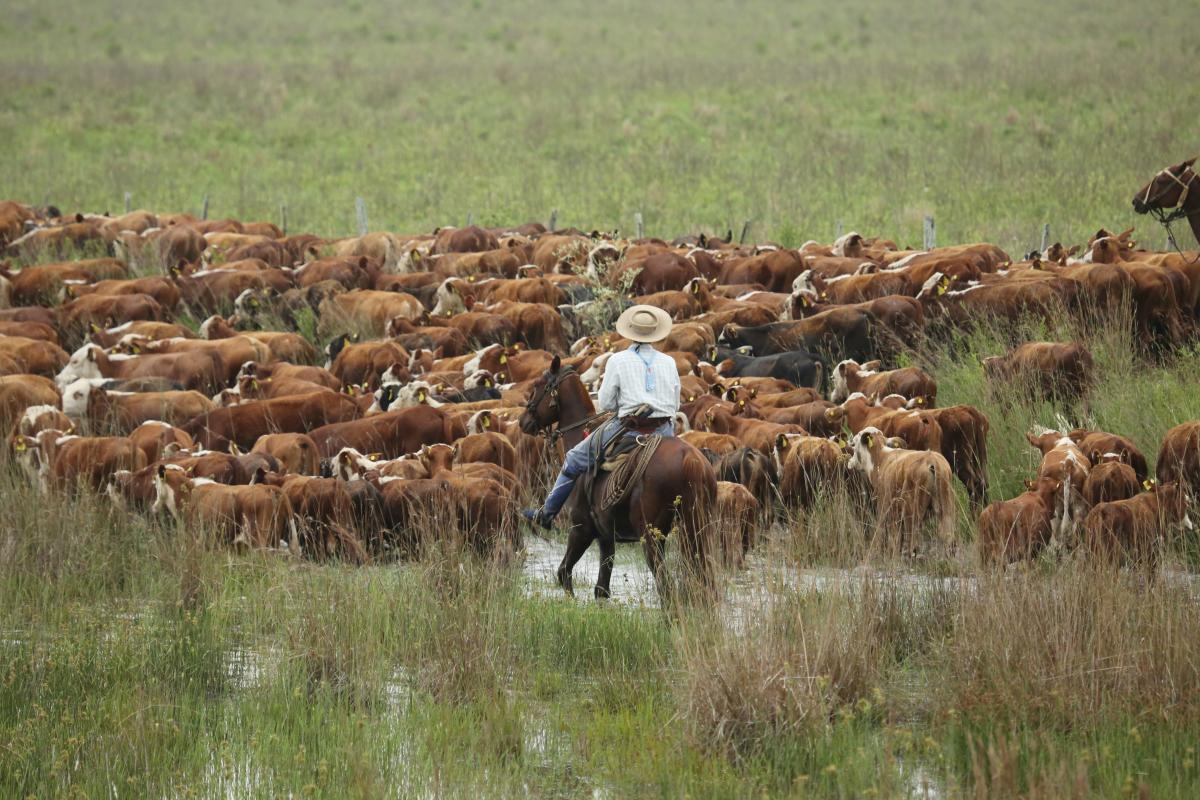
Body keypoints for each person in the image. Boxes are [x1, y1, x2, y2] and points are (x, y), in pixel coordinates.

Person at [521, 304, 680, 529]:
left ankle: (547, 513)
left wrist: (623, 405)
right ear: (655, 333)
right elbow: (676, 403)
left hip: (630, 428)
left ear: (630, 331)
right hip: (664, 430)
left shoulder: (617, 360)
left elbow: (606, 403)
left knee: (574, 458)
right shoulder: (669, 361)